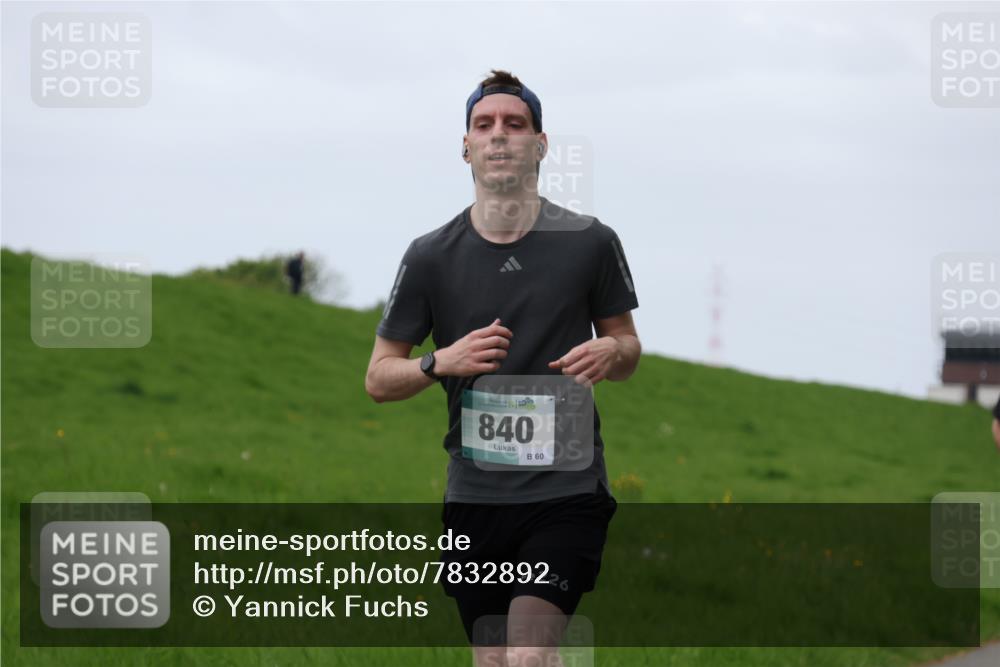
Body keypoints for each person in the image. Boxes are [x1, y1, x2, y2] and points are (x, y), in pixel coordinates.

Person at [365, 69, 641, 666]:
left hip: (567, 487)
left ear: (540, 144)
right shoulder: (430, 256)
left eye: (515, 124)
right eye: (483, 125)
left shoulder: (591, 242)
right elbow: (378, 379)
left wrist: (611, 352)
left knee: (527, 656)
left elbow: (628, 349)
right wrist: (440, 361)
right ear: (464, 146)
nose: (499, 136)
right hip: (476, 494)